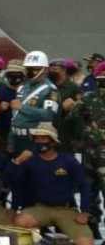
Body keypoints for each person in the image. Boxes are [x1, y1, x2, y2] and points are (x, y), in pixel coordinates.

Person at [8, 122, 93, 245]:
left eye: (43, 138)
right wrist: (17, 161)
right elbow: (13, 182)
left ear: (53, 142)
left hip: (66, 210)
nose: (39, 141)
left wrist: (84, 211)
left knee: (86, 242)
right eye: (37, 138)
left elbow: (84, 186)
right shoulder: (30, 161)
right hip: (40, 208)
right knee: (20, 223)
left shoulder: (68, 161)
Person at [71, 61, 105, 238]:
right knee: (90, 195)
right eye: (100, 81)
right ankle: (92, 232)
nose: (103, 86)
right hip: (90, 156)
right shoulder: (88, 98)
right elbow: (71, 117)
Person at [10, 51, 59, 154]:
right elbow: (15, 116)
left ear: (45, 70)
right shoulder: (23, 87)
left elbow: (48, 115)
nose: (31, 71)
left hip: (34, 139)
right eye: (28, 68)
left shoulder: (50, 89)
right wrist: (10, 138)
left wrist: (23, 108)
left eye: (35, 69)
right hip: (17, 137)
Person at [48, 58, 83, 152]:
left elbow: (80, 110)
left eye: (55, 69)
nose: (51, 71)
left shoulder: (73, 88)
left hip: (64, 130)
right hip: (47, 127)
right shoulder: (47, 85)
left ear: (64, 70)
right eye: (50, 69)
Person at [0, 60, 25, 154]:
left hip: (22, 134)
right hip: (2, 134)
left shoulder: (28, 92)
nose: (14, 77)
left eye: (17, 74)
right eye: (11, 74)